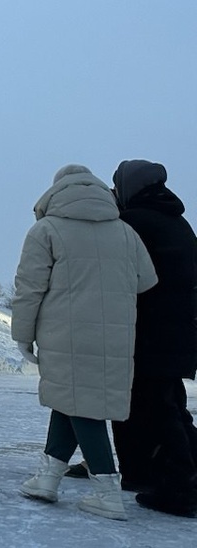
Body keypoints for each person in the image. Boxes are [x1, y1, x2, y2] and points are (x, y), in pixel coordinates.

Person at [11, 164, 156, 521]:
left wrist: (22, 334)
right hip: (116, 334)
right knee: (72, 399)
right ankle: (47, 478)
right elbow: (146, 281)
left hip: (63, 332)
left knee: (82, 406)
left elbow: (30, 288)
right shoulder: (125, 231)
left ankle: (107, 491)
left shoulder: (46, 229)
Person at [108, 160, 197, 517]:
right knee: (171, 405)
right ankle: (177, 476)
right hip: (179, 332)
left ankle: (179, 489)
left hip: (151, 333)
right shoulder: (176, 221)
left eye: (118, 187)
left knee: (157, 410)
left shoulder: (135, 223)